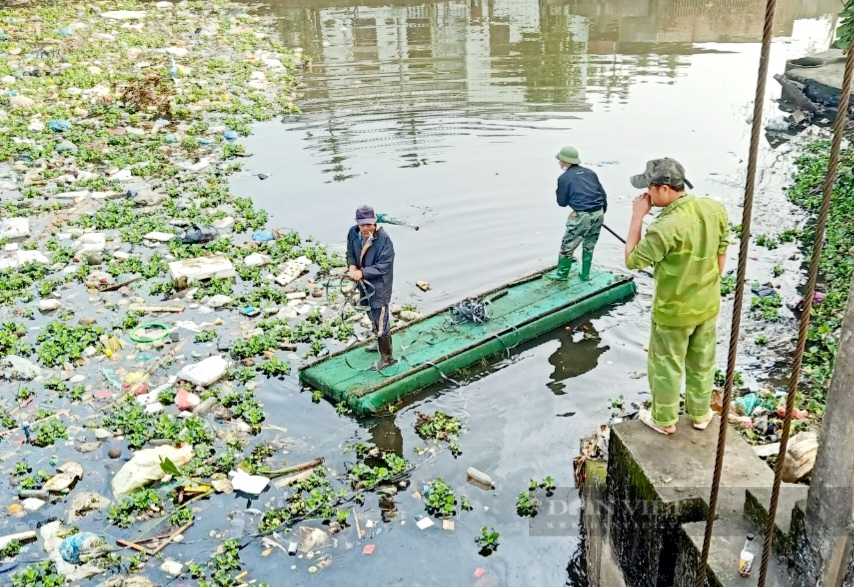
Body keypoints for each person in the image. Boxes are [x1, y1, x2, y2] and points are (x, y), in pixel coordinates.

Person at [624, 158, 729, 435]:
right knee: (702, 362)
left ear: (664, 188)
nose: (646, 194)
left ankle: (665, 420)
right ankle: (700, 414)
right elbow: (721, 253)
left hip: (673, 313)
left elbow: (633, 260)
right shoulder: (714, 209)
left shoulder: (664, 227)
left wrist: (638, 216)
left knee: (666, 365)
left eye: (649, 188)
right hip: (707, 305)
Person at [547, 146, 608, 282]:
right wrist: (601, 212)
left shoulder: (564, 178)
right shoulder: (590, 173)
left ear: (564, 161)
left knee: (567, 245)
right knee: (589, 244)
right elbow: (602, 194)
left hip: (582, 215)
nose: (559, 163)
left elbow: (561, 202)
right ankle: (585, 274)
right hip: (599, 212)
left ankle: (562, 275)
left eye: (560, 161)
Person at [346, 205, 396, 370]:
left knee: (381, 321)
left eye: (369, 224)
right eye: (363, 224)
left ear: (375, 222)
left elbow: (384, 266)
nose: (366, 228)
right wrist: (352, 267)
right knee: (370, 314)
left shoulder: (383, 240)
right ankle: (378, 344)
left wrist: (362, 272)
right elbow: (350, 253)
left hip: (380, 287)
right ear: (358, 224)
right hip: (364, 286)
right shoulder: (353, 234)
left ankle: (387, 358)